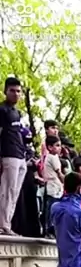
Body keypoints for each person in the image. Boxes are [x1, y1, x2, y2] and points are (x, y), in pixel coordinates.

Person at [0, 77, 27, 235]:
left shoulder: (17, 112)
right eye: (12, 91)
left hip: (20, 154)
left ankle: (7, 223)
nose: (16, 94)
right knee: (7, 190)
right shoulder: (2, 110)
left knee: (15, 192)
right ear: (5, 91)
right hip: (8, 154)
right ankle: (2, 224)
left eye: (18, 91)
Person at [42, 135, 65, 236]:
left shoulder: (54, 157)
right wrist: (66, 182)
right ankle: (49, 229)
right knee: (52, 208)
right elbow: (59, 173)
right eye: (57, 145)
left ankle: (51, 229)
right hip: (53, 187)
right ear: (50, 147)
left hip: (56, 186)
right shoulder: (52, 157)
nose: (60, 148)